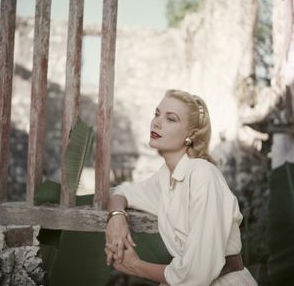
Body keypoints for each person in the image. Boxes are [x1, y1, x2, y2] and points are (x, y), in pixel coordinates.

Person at [105, 89, 258, 286]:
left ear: (191, 134)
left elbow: (197, 275)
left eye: (171, 119)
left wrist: (135, 266)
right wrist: (116, 218)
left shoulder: (202, 173)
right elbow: (120, 192)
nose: (157, 122)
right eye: (157, 114)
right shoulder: (164, 177)